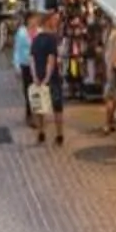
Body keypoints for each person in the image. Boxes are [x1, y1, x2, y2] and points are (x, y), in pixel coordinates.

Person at [28, 12, 65, 147]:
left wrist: (35, 76)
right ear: (48, 22)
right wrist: (47, 78)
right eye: (54, 20)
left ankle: (41, 132)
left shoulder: (35, 39)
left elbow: (32, 59)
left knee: (39, 106)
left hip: (38, 76)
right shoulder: (51, 39)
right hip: (52, 78)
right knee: (57, 106)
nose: (56, 22)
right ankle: (59, 134)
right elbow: (51, 60)